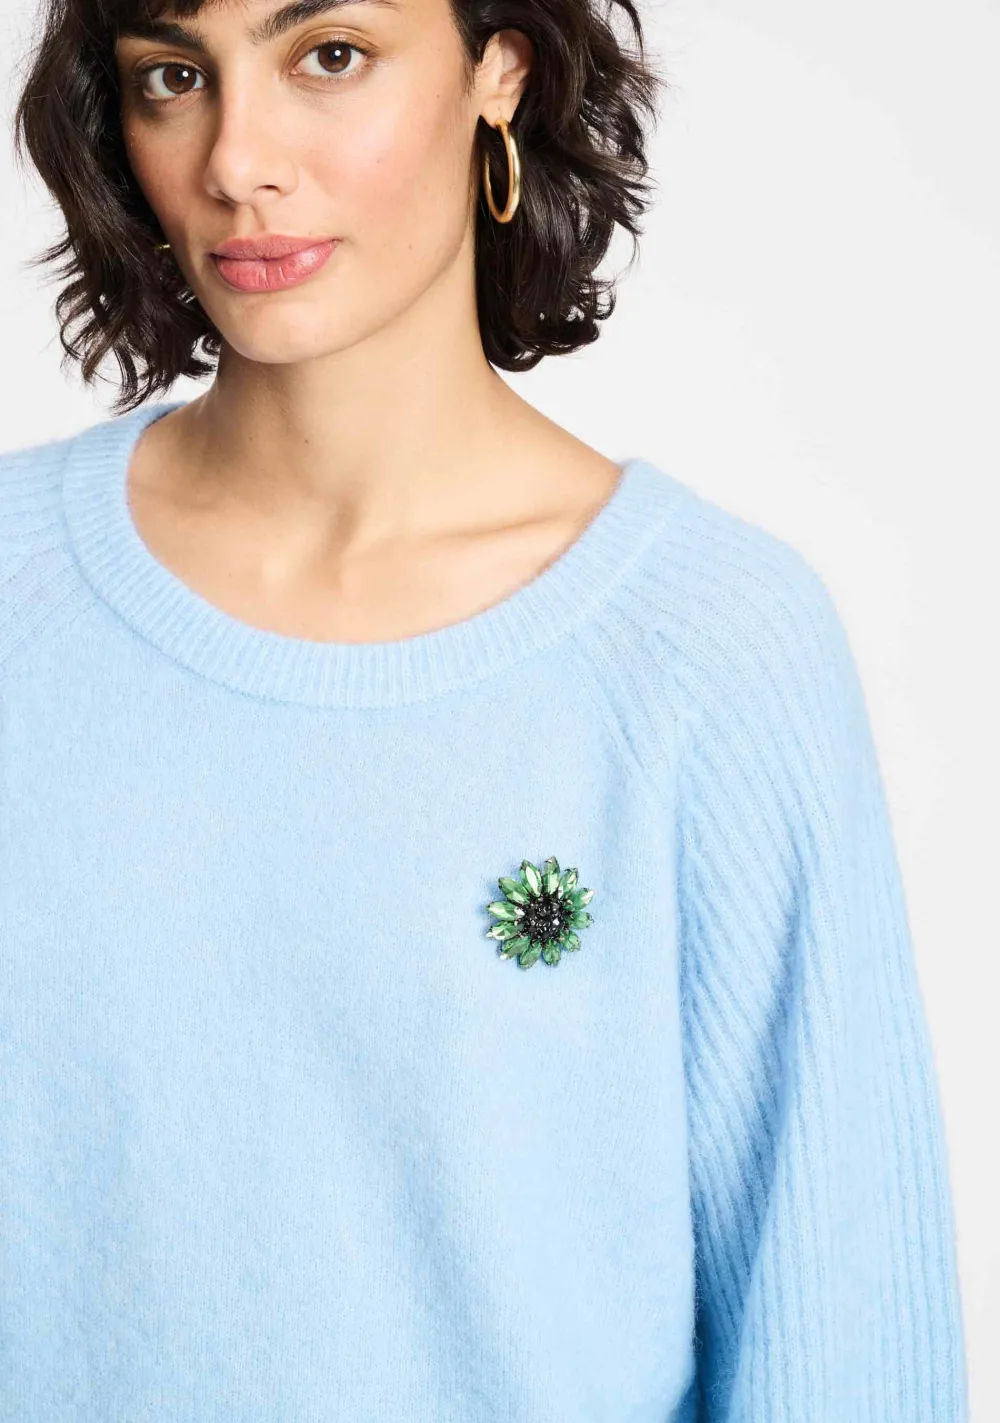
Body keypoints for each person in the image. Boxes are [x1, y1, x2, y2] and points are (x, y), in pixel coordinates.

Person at [1, 0, 969, 1418]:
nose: (236, 159)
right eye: (174, 76)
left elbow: (844, 1340)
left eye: (329, 56)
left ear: (499, 69)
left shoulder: (706, 649)